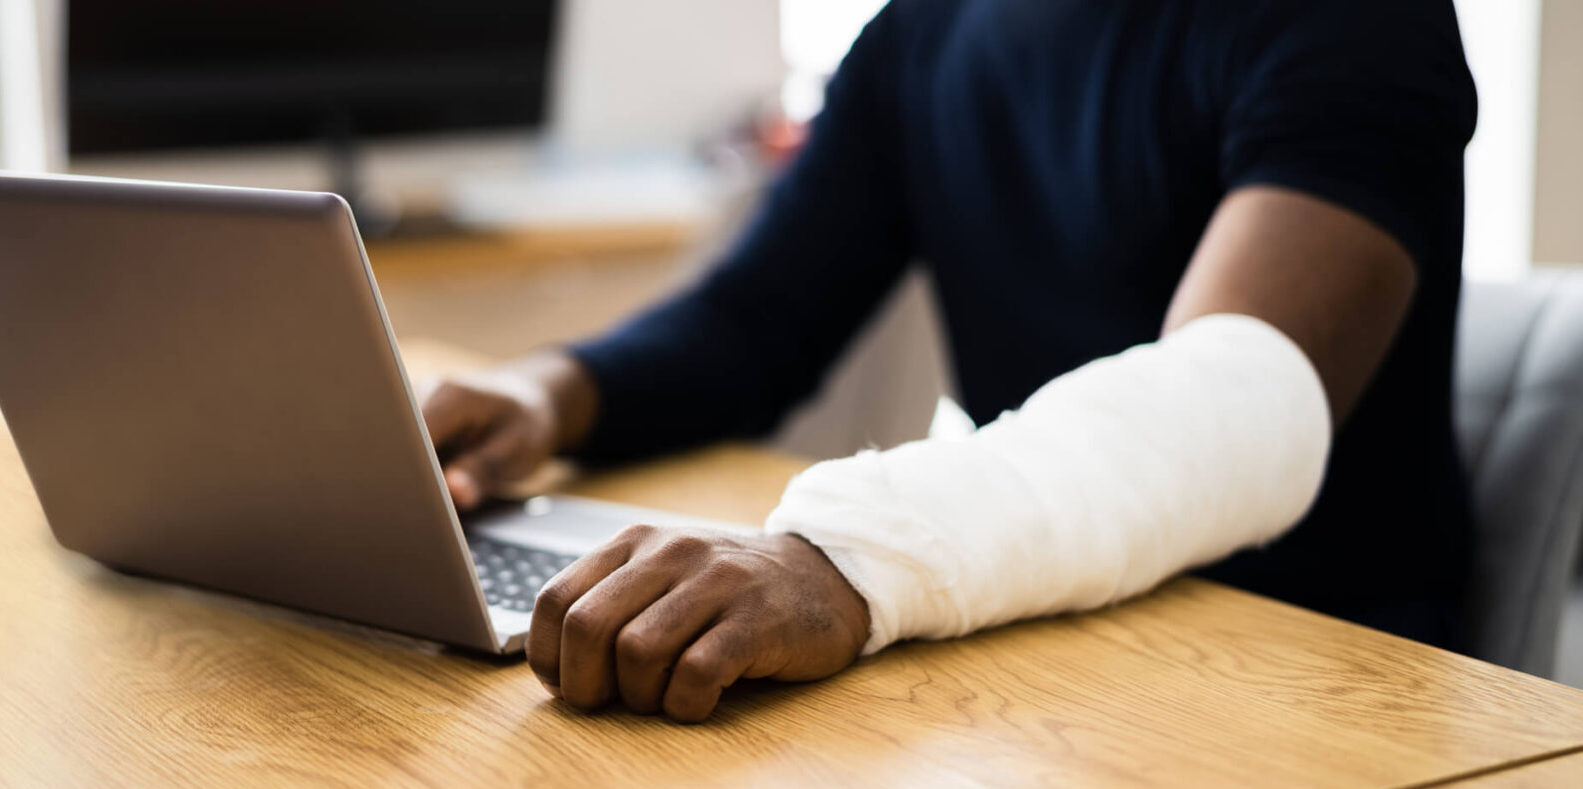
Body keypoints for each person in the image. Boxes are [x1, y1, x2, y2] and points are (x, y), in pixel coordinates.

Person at [420, 0, 1479, 723]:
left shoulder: (1356, 19)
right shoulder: (928, 28)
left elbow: (1235, 399)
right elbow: (753, 325)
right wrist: (541, 394)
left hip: (1311, 674)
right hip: (1053, 640)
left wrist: (842, 552)